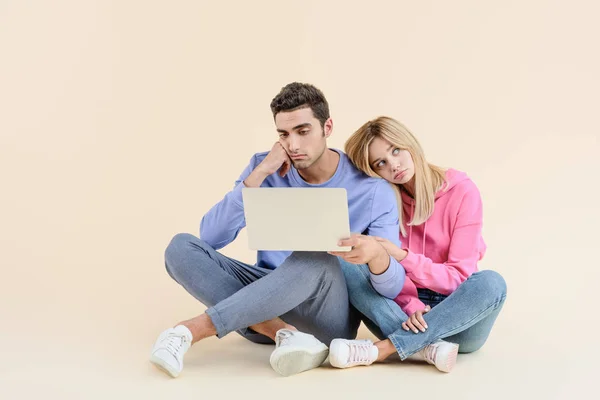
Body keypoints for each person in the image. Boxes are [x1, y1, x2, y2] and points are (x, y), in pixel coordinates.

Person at [149, 83, 406, 378]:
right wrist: (259, 175)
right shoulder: (265, 168)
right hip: (261, 303)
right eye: (284, 134)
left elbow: (393, 287)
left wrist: (376, 256)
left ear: (328, 127)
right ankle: (282, 333)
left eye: (303, 131)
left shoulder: (372, 189)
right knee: (180, 247)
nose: (293, 145)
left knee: (317, 256)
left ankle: (190, 330)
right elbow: (209, 237)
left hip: (326, 316)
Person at [327, 116, 507, 373]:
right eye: (381, 163)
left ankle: (383, 349)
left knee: (492, 282)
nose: (394, 165)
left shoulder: (463, 192)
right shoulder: (382, 200)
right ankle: (425, 348)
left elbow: (458, 278)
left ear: (408, 143)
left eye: (395, 150)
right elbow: (384, 273)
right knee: (344, 261)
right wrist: (412, 306)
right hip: (400, 315)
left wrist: (402, 255)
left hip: (458, 316)